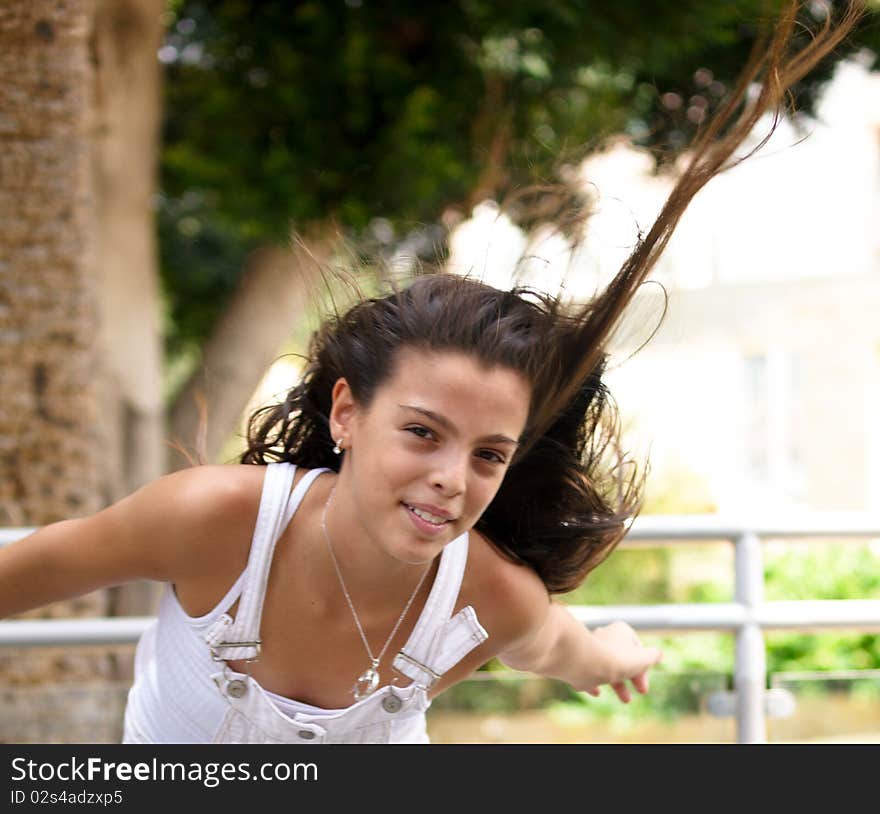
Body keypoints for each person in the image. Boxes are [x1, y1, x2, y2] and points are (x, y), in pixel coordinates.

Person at [0, 1, 863, 744]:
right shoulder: (215, 523)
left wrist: (622, 653)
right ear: (346, 414)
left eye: (489, 454)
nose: (452, 480)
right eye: (421, 433)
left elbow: (575, 651)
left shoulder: (491, 597)